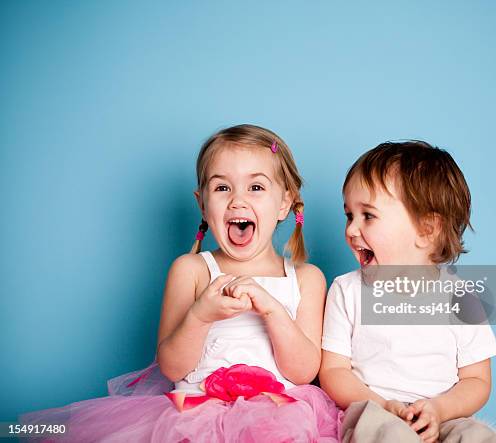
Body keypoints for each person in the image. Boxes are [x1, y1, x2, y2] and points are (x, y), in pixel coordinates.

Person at [19, 124, 339, 442]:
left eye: (255, 187)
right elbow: (171, 367)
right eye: (222, 188)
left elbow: (304, 372)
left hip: (278, 420)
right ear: (202, 203)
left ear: (284, 202)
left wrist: (272, 311)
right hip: (193, 417)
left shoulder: (306, 278)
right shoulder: (192, 270)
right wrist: (201, 315)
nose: (237, 201)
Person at [319, 141, 496, 443]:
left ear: (426, 229)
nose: (351, 230)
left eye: (368, 216)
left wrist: (439, 410)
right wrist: (384, 406)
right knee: (389, 436)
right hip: (374, 412)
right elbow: (334, 372)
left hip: (442, 416)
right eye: (349, 215)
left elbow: (477, 379)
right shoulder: (346, 291)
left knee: (477, 435)